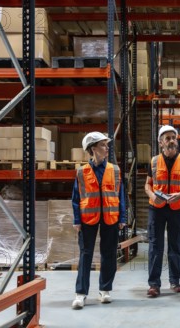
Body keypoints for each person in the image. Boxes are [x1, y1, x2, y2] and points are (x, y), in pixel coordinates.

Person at [71, 132, 127, 309]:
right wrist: (76, 219)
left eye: (107, 145)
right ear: (93, 148)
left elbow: (121, 196)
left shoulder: (114, 170)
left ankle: (105, 290)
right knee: (85, 255)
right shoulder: (82, 172)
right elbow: (76, 198)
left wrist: (123, 217)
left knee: (108, 254)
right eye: (103, 145)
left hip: (111, 217)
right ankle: (81, 293)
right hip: (88, 217)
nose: (107, 148)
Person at [144, 125, 180, 297]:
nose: (171, 141)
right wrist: (151, 194)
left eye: (173, 138)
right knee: (155, 246)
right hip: (156, 208)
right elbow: (147, 184)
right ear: (160, 142)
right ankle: (154, 284)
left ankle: (175, 280)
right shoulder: (154, 161)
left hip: (177, 208)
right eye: (167, 138)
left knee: (175, 245)